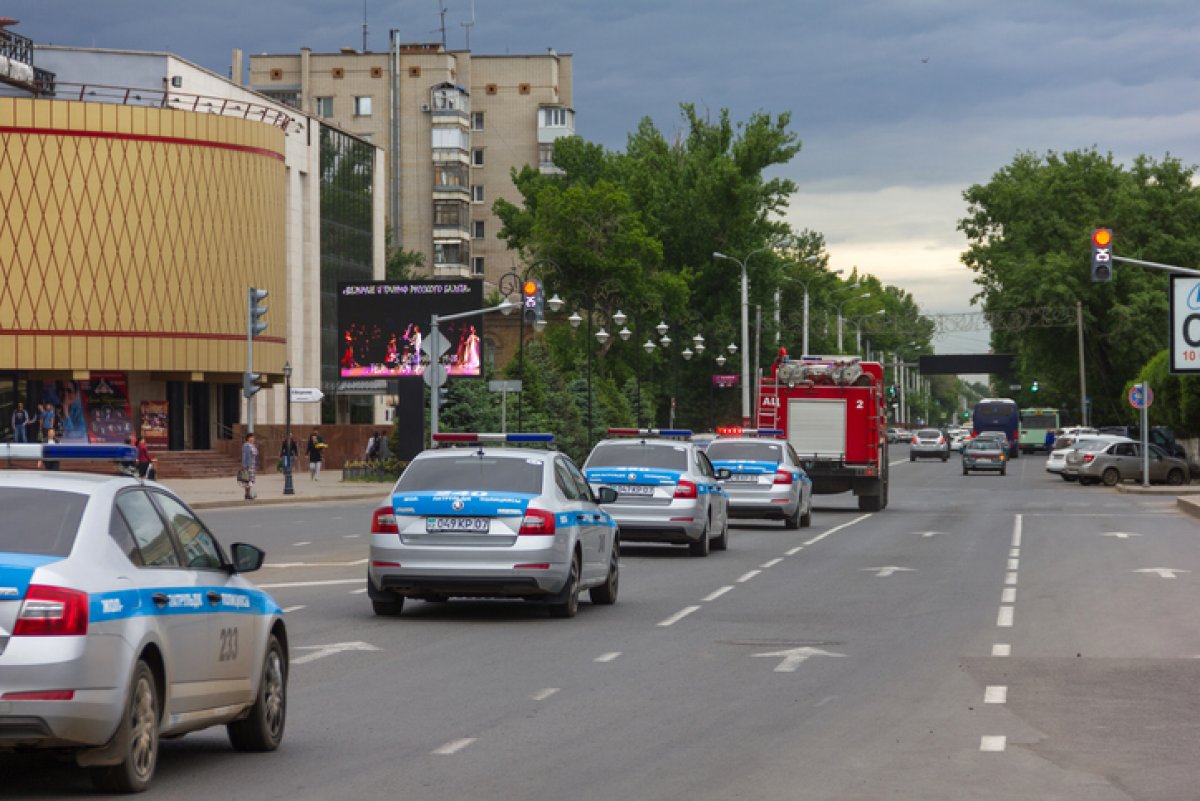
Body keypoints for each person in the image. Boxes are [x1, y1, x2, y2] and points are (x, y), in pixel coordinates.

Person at [240, 433, 259, 500]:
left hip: (253, 465)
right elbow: (245, 456)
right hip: (248, 465)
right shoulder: (246, 445)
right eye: (251, 437)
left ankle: (247, 494)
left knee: (251, 480)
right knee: (247, 480)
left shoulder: (253, 445)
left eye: (253, 437)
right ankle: (247, 494)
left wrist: (257, 464)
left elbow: (256, 455)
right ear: (247, 438)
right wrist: (244, 465)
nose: (252, 439)